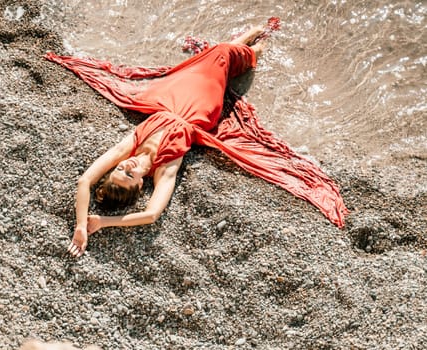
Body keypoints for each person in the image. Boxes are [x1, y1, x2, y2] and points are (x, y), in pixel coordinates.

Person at [45, 20, 348, 258]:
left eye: (120, 169)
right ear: (140, 184)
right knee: (231, 55)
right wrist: (104, 223)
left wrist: (81, 224)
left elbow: (84, 180)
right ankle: (262, 38)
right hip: (202, 106)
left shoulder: (130, 148)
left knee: (219, 54)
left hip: (173, 96)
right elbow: (150, 215)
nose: (128, 166)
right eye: (130, 175)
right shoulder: (165, 168)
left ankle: (249, 38)